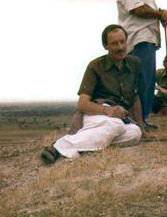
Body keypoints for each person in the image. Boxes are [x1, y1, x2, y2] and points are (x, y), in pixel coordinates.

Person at [41, 25, 147, 164]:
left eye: (122, 41)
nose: (120, 47)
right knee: (115, 125)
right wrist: (107, 110)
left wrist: (141, 126)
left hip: (119, 118)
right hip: (97, 113)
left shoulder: (135, 63)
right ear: (105, 46)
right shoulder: (95, 66)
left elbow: (135, 98)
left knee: (135, 133)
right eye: (114, 43)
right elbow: (82, 104)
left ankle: (85, 143)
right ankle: (59, 147)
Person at [116, 0, 167, 130]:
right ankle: (137, 121)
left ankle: (142, 119)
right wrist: (159, 13)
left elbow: (145, 9)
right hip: (138, 38)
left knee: (147, 80)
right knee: (142, 81)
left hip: (147, 37)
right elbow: (137, 9)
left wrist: (159, 14)